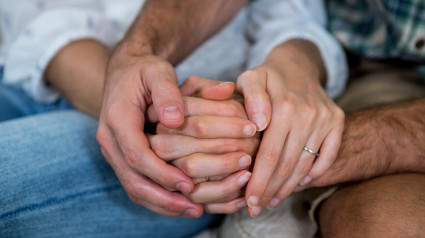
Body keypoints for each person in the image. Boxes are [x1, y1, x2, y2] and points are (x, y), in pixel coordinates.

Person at [0, 0, 347, 237]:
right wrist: (149, 114)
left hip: (198, 119)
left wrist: (292, 69)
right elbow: (38, 20)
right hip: (37, 79)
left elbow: (293, 20)